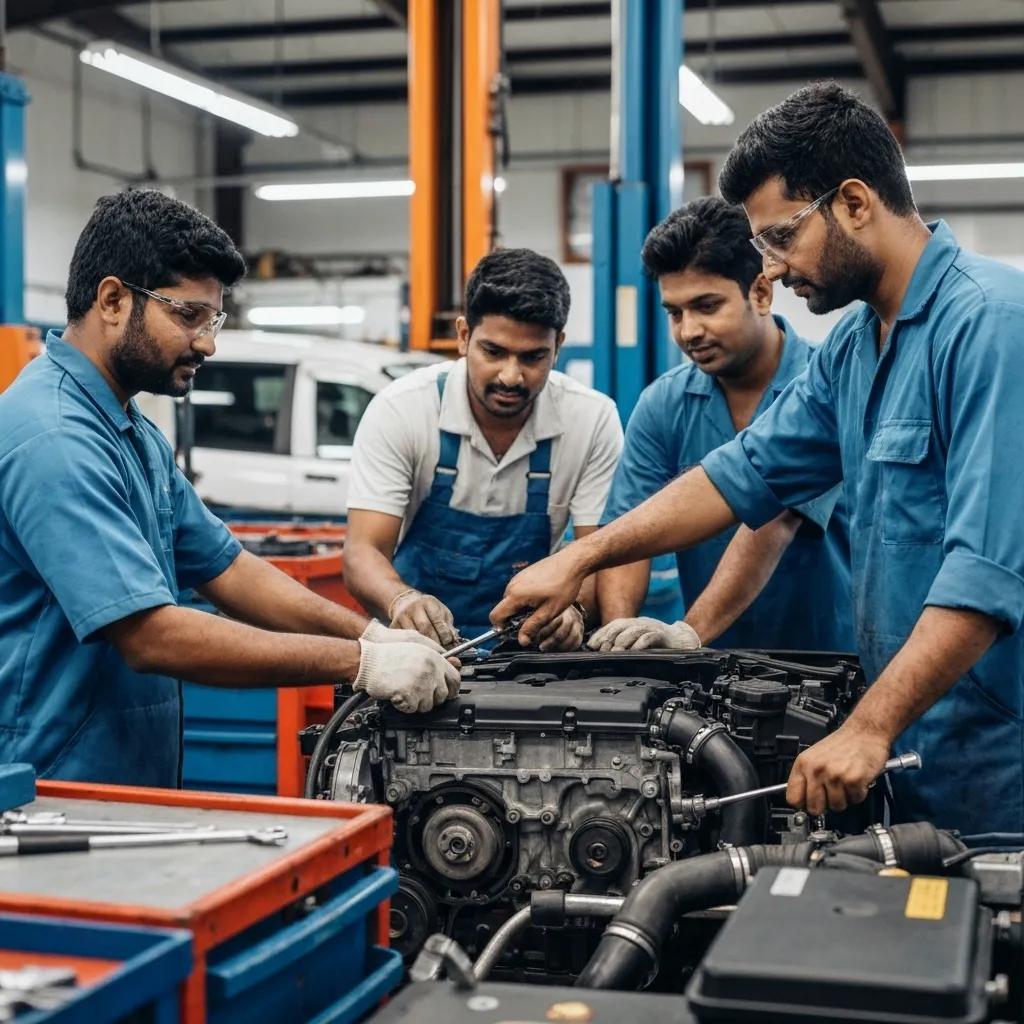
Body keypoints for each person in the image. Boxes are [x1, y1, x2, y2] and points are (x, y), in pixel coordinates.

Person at [492, 82, 1024, 836]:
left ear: (853, 202)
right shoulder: (854, 347)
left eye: (779, 238)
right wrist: (583, 559)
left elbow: (986, 576)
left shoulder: (992, 327)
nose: (770, 268)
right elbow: (743, 474)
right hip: (893, 743)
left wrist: (868, 727)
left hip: (991, 761)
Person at [0, 190, 458, 788]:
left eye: (213, 320)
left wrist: (368, 630)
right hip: (48, 789)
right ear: (112, 300)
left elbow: (229, 568)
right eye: (188, 315)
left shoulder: (129, 429)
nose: (208, 342)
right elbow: (152, 636)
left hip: (119, 781)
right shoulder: (54, 436)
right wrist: (362, 662)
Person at [590, 197, 852, 654]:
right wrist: (621, 645)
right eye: (675, 312)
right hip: (712, 671)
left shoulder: (825, 385)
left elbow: (772, 521)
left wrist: (688, 634)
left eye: (707, 306)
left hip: (830, 662)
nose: (689, 330)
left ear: (761, 293)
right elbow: (630, 531)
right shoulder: (663, 405)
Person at [343, 248, 623, 651]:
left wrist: (574, 610)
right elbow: (362, 553)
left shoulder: (591, 421)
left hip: (531, 656)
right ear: (463, 336)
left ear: (558, 346)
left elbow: (598, 556)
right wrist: (401, 600)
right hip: (415, 653)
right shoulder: (402, 409)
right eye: (493, 352)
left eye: (533, 357)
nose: (511, 376)